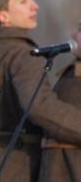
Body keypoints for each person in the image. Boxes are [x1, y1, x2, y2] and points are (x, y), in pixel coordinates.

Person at [0, 0, 81, 182]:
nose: (34, 5)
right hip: (22, 167)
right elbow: (41, 108)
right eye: (23, 0)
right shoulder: (24, 56)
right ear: (3, 16)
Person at [39, 21, 81, 182]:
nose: (73, 34)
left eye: (80, 30)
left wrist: (41, 105)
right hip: (57, 167)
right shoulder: (73, 71)